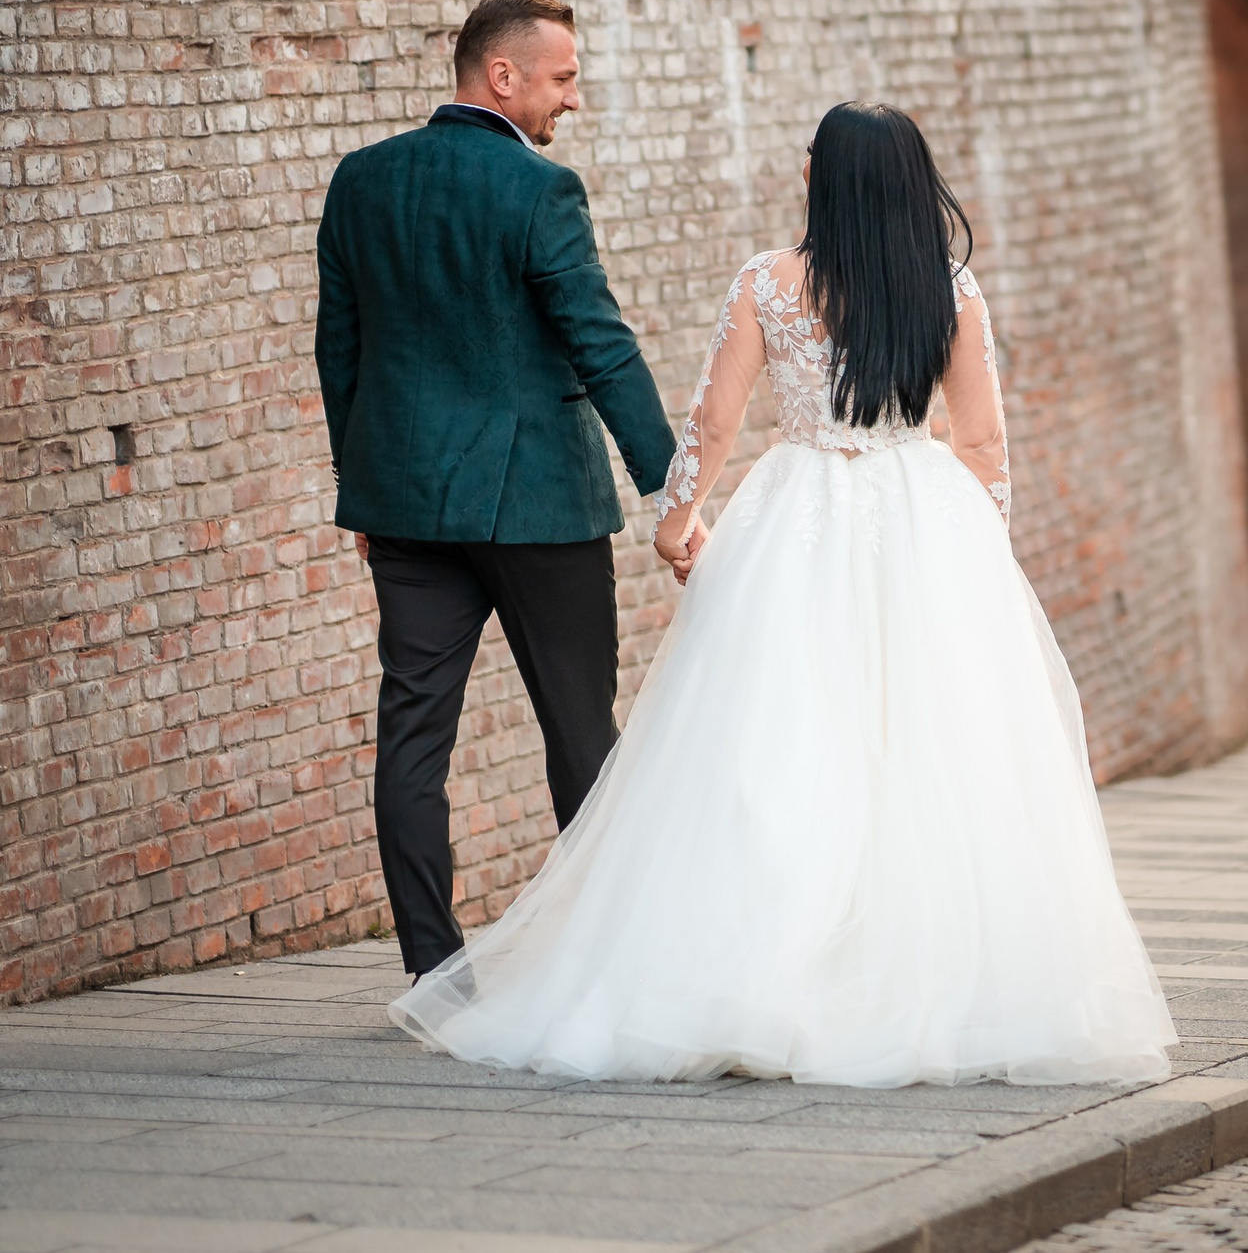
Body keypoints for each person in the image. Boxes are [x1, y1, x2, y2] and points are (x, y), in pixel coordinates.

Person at [389, 103, 1177, 1087]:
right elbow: (981, 445)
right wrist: (976, 556)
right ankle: (935, 984)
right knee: (932, 754)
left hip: (795, 507)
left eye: (812, 158)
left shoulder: (770, 281)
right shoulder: (953, 290)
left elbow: (713, 422)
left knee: (768, 742)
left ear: (827, 180)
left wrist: (679, 522)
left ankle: (753, 977)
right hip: (924, 513)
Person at [316, 0, 680, 984]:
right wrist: (672, 485)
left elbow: (337, 351)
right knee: (577, 729)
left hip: (403, 506)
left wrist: (361, 482)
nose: (573, 98)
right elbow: (599, 345)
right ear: (503, 74)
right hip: (537, 509)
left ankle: (433, 972)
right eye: (562, 77)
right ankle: (610, 958)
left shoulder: (361, 180)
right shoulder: (538, 190)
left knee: (412, 734)